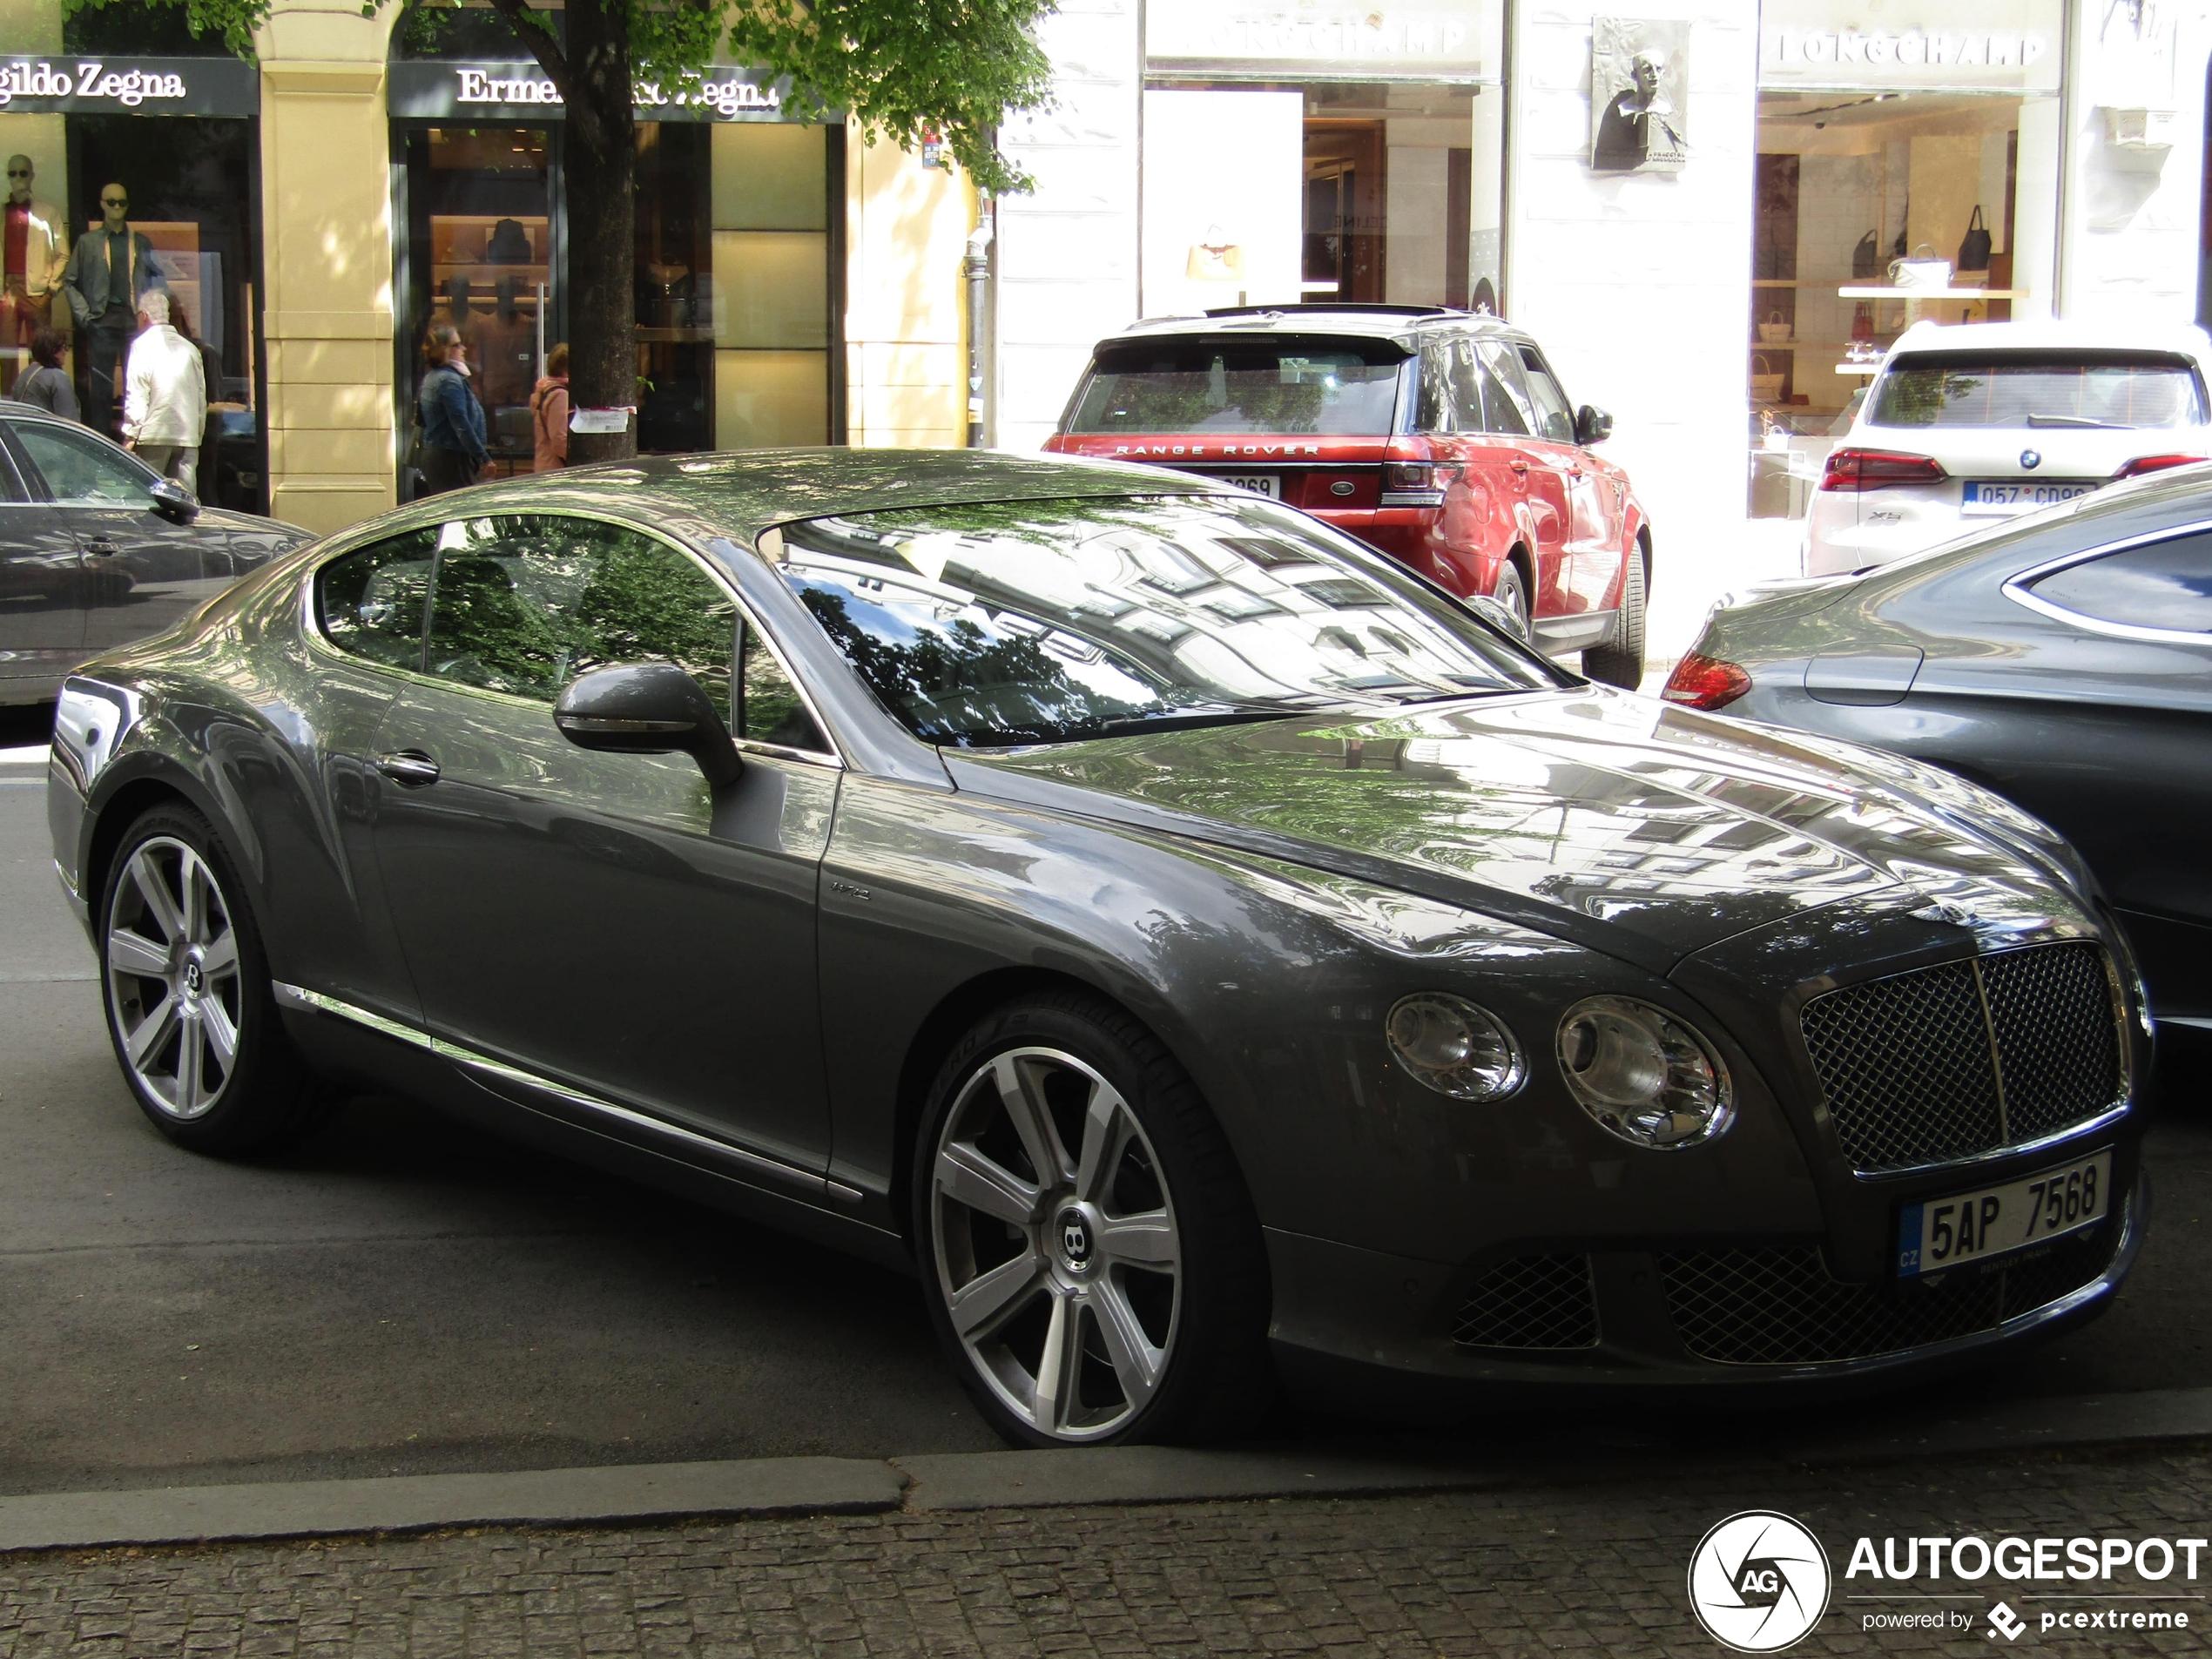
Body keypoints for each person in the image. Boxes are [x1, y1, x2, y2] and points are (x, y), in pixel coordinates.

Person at [60, 182, 165, 435]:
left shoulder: (139, 242)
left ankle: (134, 443)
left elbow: (158, 279)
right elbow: (69, 281)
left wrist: (150, 314)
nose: (117, 207)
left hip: (133, 322)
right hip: (102, 321)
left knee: (137, 388)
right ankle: (101, 448)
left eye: (122, 202)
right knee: (101, 393)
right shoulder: (89, 242)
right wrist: (85, 316)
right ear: (102, 204)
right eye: (111, 202)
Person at [122, 290, 206, 486]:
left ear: (144, 316)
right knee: (184, 499)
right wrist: (197, 434)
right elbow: (201, 398)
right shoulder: (190, 349)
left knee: (149, 495)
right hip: (187, 436)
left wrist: (130, 435)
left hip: (154, 436)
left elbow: (138, 394)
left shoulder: (141, 346)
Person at [1, 156, 69, 370]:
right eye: (13, 173)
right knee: (6, 353)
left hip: (38, 289)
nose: (18, 178)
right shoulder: (1, 212)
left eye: (23, 172)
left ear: (32, 176)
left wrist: (51, 288)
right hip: (8, 290)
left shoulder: (48, 213)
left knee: (40, 353)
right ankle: (6, 402)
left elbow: (63, 253)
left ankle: (36, 397)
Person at [417, 321, 488, 496]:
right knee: (465, 510)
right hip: (452, 458)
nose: (463, 348)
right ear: (443, 350)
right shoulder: (449, 381)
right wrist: (483, 458)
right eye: (456, 345)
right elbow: (460, 422)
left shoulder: (433, 377)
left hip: (441, 456)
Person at [1592, 50, 1686, 172]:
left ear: (1662, 73)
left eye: (1658, 69)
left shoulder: (1668, 110)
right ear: (1634, 75)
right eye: (1647, 70)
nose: (1654, 75)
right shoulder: (1622, 110)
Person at [9, 327, 79, 421]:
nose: (65, 352)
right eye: (64, 347)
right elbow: (69, 421)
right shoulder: (58, 377)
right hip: (46, 433)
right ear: (53, 350)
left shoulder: (24, 374)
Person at [531, 341, 570, 471]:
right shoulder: (560, 395)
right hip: (555, 469)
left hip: (545, 465)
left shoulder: (545, 390)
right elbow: (559, 439)